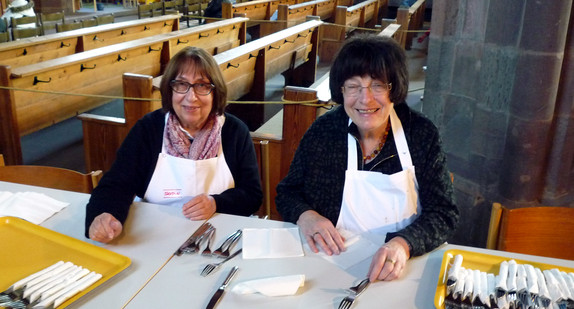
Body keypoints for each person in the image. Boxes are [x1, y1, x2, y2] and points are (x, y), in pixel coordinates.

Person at [275, 34, 459, 282]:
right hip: (331, 265)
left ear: (395, 87)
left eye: (378, 85)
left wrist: (404, 243)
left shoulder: (420, 134)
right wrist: (307, 216)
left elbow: (444, 212)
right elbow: (288, 192)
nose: (365, 98)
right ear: (341, 90)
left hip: (403, 268)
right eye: (353, 86)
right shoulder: (323, 132)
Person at [86, 46, 262, 243]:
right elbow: (116, 184)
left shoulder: (234, 131)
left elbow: (252, 195)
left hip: (217, 236)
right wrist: (104, 214)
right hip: (154, 237)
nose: (191, 96)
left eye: (202, 85)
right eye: (181, 84)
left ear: (215, 92)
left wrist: (216, 203)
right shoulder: (148, 129)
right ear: (170, 91)